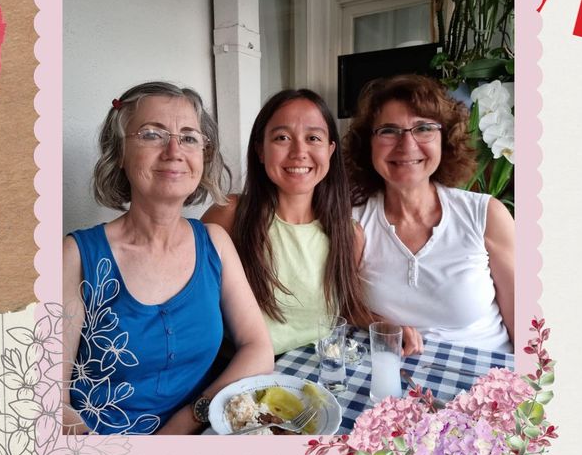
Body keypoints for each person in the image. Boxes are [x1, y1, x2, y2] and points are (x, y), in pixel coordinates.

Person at [62, 81, 274, 435]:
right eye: (152, 134)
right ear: (120, 152)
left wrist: (189, 418)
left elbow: (259, 348)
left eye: (189, 137)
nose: (174, 150)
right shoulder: (76, 256)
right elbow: (46, 397)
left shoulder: (215, 242)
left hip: (198, 436)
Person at [343, 74, 515, 353]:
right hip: (398, 378)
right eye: (388, 130)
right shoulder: (354, 223)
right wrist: (378, 323)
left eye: (423, 128)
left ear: (444, 140)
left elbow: (527, 326)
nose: (407, 145)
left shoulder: (485, 215)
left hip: (489, 376)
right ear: (368, 145)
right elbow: (343, 306)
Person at [202, 89, 369, 355]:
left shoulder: (350, 233)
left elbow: (345, 309)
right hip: (246, 374)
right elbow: (194, 309)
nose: (299, 152)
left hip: (320, 367)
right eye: (282, 137)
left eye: (313, 138)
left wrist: (383, 323)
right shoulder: (230, 215)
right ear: (260, 150)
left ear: (330, 150)